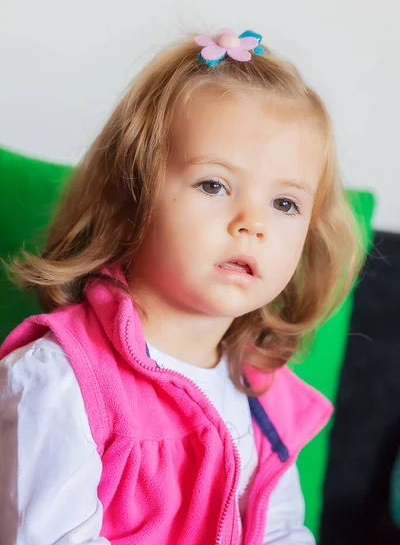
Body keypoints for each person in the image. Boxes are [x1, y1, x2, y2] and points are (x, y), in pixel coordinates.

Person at [0, 27, 362, 544]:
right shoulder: (59, 382)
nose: (251, 222)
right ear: (131, 202)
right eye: (214, 184)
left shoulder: (264, 392)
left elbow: (280, 529)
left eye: (285, 203)